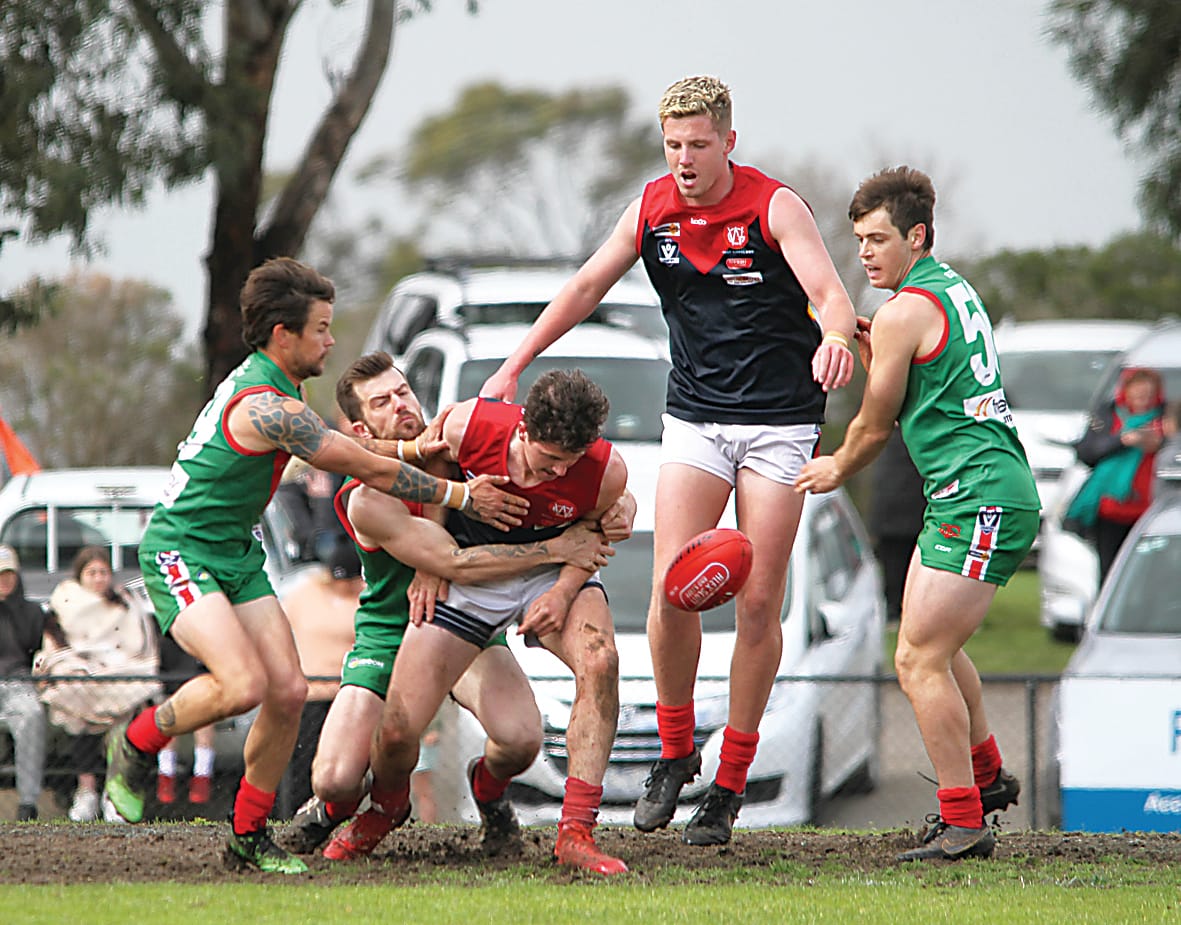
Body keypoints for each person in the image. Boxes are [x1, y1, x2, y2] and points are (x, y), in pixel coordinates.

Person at [481, 75, 856, 846]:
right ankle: (678, 750)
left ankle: (728, 782)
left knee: (757, 602)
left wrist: (835, 337)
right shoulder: (652, 207)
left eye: (697, 145)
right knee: (670, 587)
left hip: (780, 423)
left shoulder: (772, 205)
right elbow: (586, 283)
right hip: (695, 417)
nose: (683, 160)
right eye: (672, 145)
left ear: (727, 141)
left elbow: (831, 293)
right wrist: (516, 359)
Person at [101, 256, 528, 875]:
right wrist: (462, 494)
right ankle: (136, 743)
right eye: (322, 328)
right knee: (243, 685)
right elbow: (364, 465)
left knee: (289, 692)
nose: (331, 340)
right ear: (284, 334)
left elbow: (356, 446)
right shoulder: (269, 406)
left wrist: (415, 447)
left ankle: (247, 834)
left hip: (237, 553)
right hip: (181, 548)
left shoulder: (284, 392)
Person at [282, 354, 620, 870]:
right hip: (391, 628)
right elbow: (453, 561)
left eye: (403, 392)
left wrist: (619, 512)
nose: (401, 405)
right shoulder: (367, 500)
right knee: (338, 773)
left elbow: (594, 494)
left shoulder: (454, 439)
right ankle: (357, 806)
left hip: (461, 612)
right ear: (361, 428)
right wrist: (549, 549)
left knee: (522, 739)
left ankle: (496, 794)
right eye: (382, 402)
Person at [794, 165, 1039, 862]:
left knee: (917, 657)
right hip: (972, 490)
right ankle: (985, 778)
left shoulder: (904, 311)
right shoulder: (948, 289)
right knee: (932, 645)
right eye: (859, 241)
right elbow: (929, 381)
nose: (865, 253)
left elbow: (874, 427)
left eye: (877, 239)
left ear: (917, 235)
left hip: (978, 494)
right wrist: (883, 352)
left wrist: (832, 466)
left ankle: (964, 823)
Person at [37, 547, 161, 823]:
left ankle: (113, 793)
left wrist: (110, 662)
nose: (98, 578)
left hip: (119, 667)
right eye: (91, 573)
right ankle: (86, 790)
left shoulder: (125, 602)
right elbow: (56, 648)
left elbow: (139, 644)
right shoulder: (65, 600)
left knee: (125, 710)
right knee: (75, 701)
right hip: (79, 670)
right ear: (80, 575)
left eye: (103, 572)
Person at [280, 538, 365, 816]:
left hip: (349, 694)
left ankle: (343, 815)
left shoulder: (365, 598)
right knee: (303, 763)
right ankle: (298, 815)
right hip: (312, 694)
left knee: (347, 765)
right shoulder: (304, 594)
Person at [1066, 367, 1165, 582]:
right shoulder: (1108, 415)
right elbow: (1087, 452)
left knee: (1147, 575)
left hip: (1149, 511)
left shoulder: (1165, 419)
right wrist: (1122, 441)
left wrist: (1160, 443)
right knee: (1109, 570)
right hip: (1111, 510)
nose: (1143, 400)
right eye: (1138, 394)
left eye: (1148, 395)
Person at [0, 544, 47, 821]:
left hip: (19, 682)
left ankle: (28, 802)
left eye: (8, 575)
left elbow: (42, 650)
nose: (4, 581)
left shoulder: (32, 612)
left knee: (33, 715)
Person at [869, 427, 926, 624]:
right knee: (895, 563)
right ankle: (895, 609)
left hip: (915, 506)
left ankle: (908, 610)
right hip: (897, 507)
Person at [154, 640, 217, 810]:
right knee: (170, 706)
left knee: (203, 707)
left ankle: (202, 775)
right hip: (170, 637)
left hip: (197, 643)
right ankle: (166, 774)